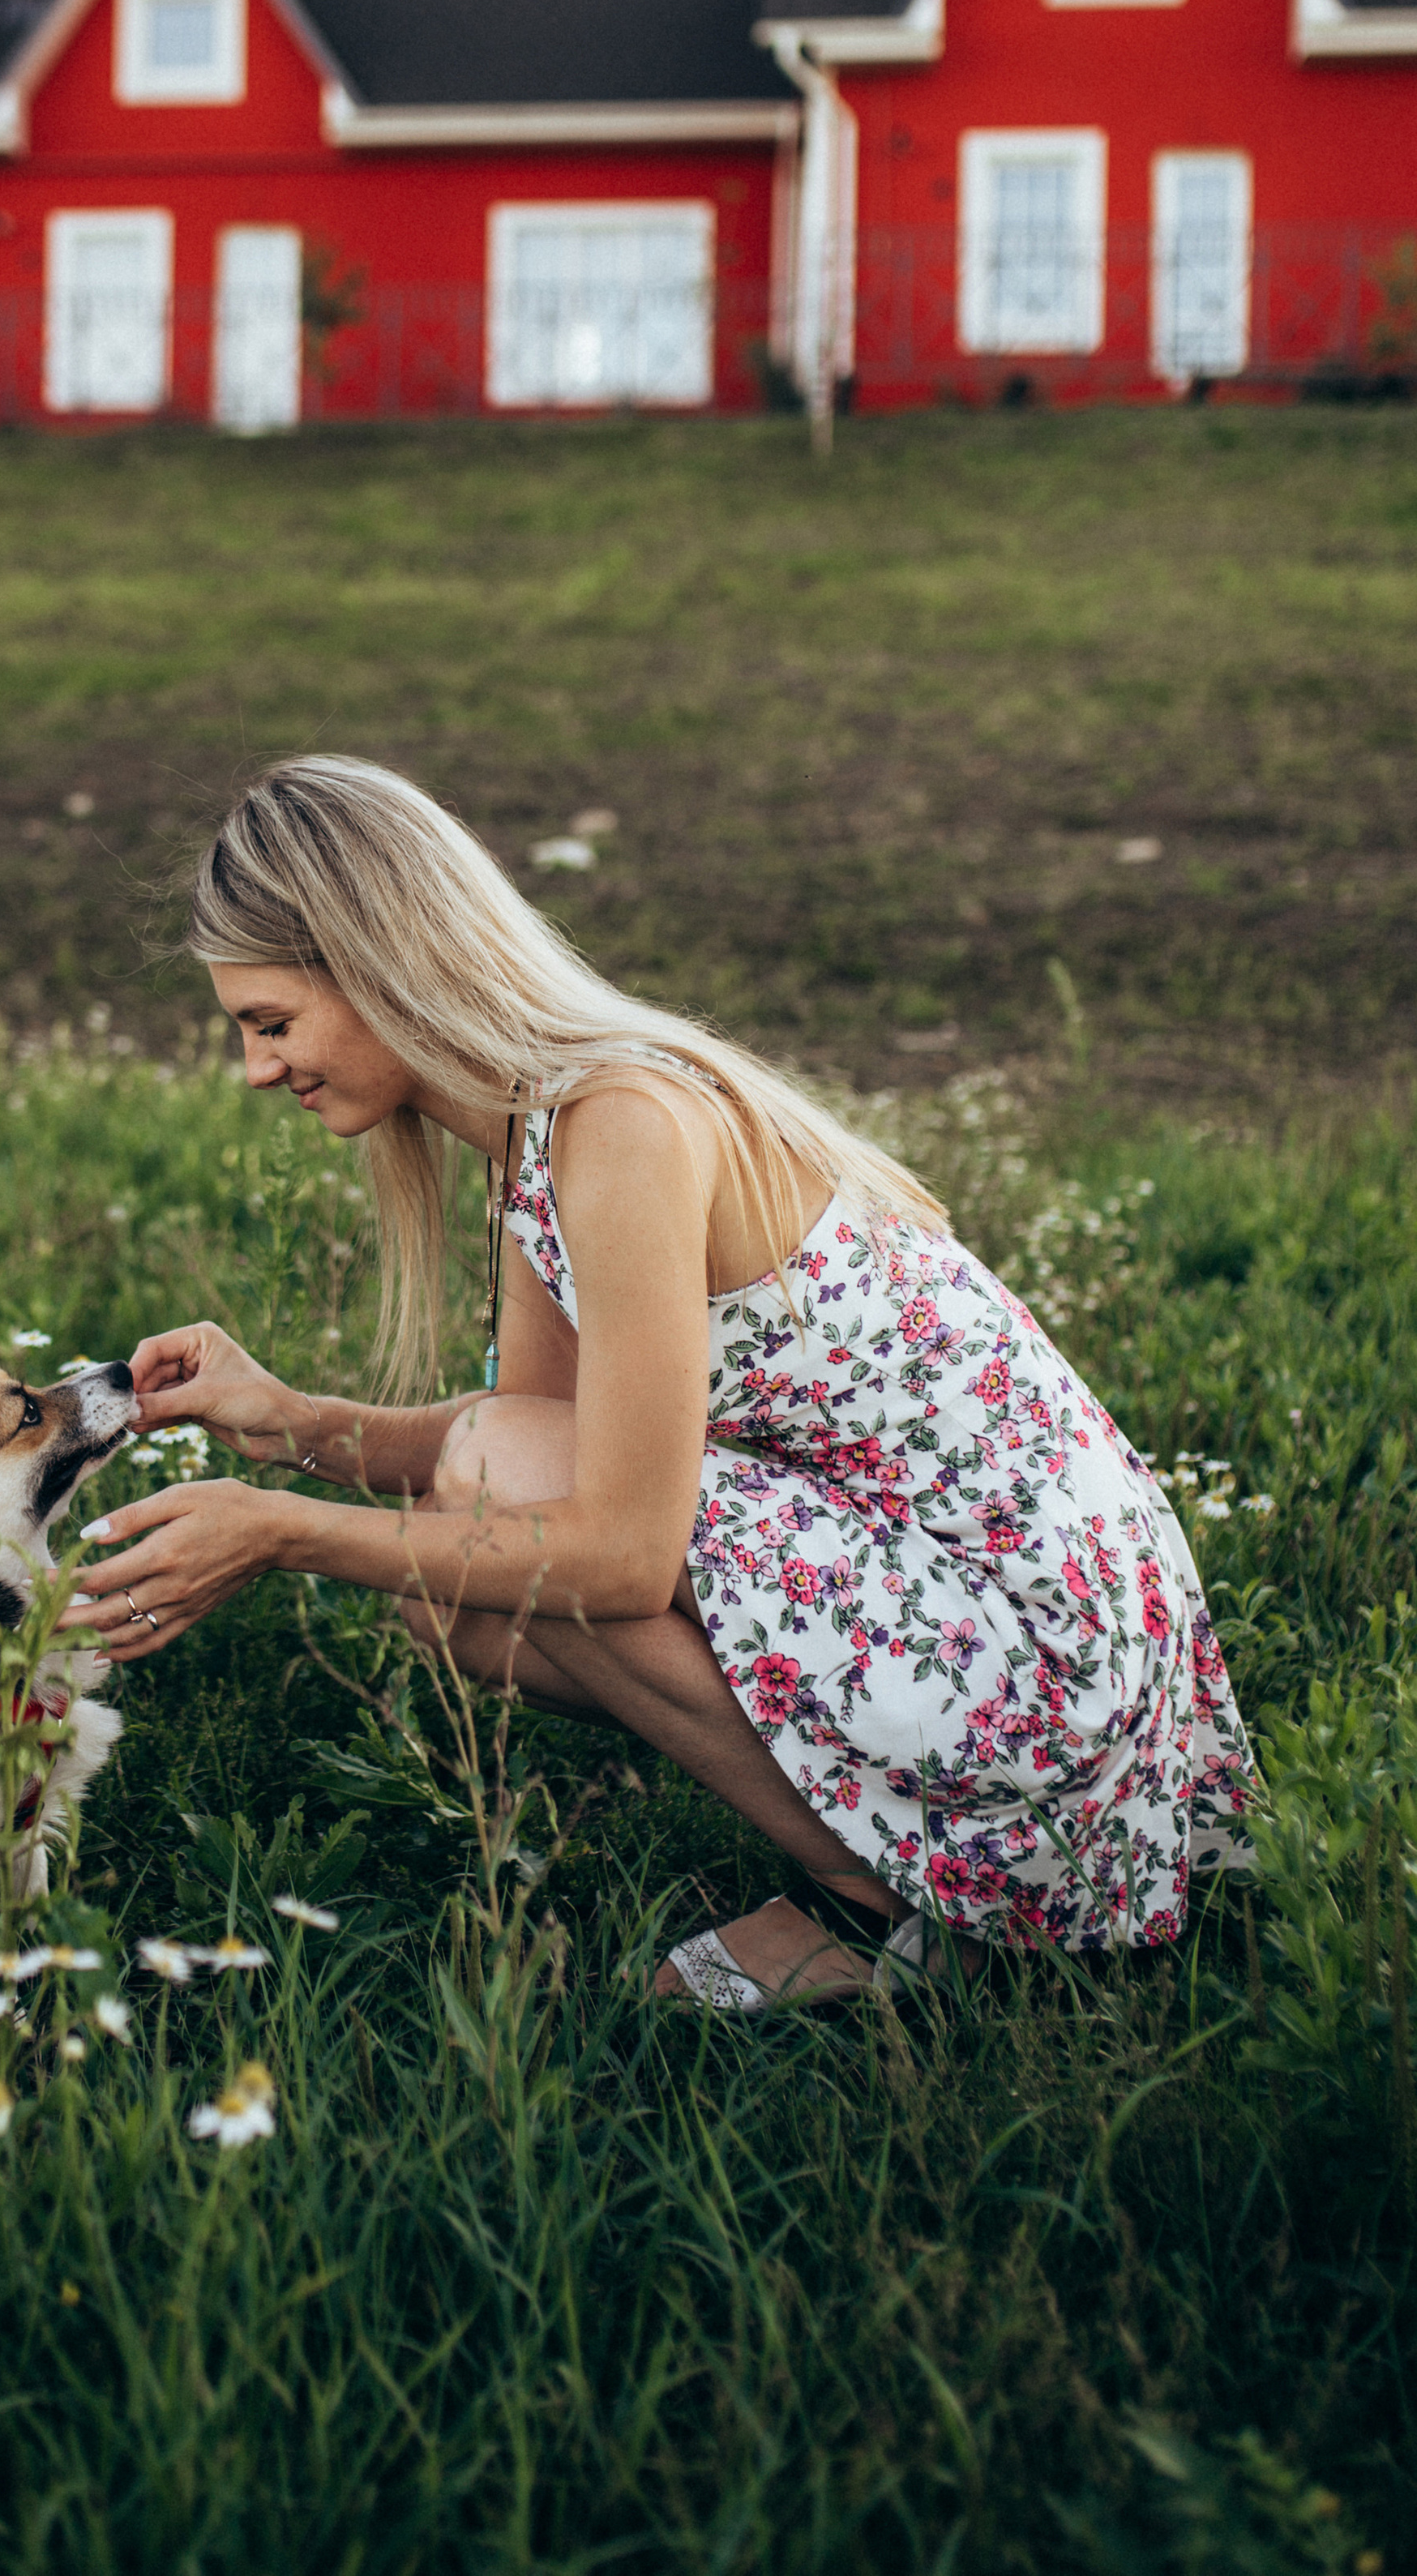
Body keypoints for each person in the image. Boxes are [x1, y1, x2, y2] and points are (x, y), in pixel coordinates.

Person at [75, 756, 1256, 2013]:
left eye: (270, 1024)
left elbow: (620, 1553)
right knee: (457, 1581)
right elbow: (537, 1447)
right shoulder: (537, 1135)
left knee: (480, 1503)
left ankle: (902, 1911)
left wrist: (283, 1534)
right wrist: (295, 1426)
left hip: (1046, 1663)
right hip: (973, 1615)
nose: (259, 1071)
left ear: (378, 964)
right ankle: (905, 1875)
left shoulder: (622, 1123)